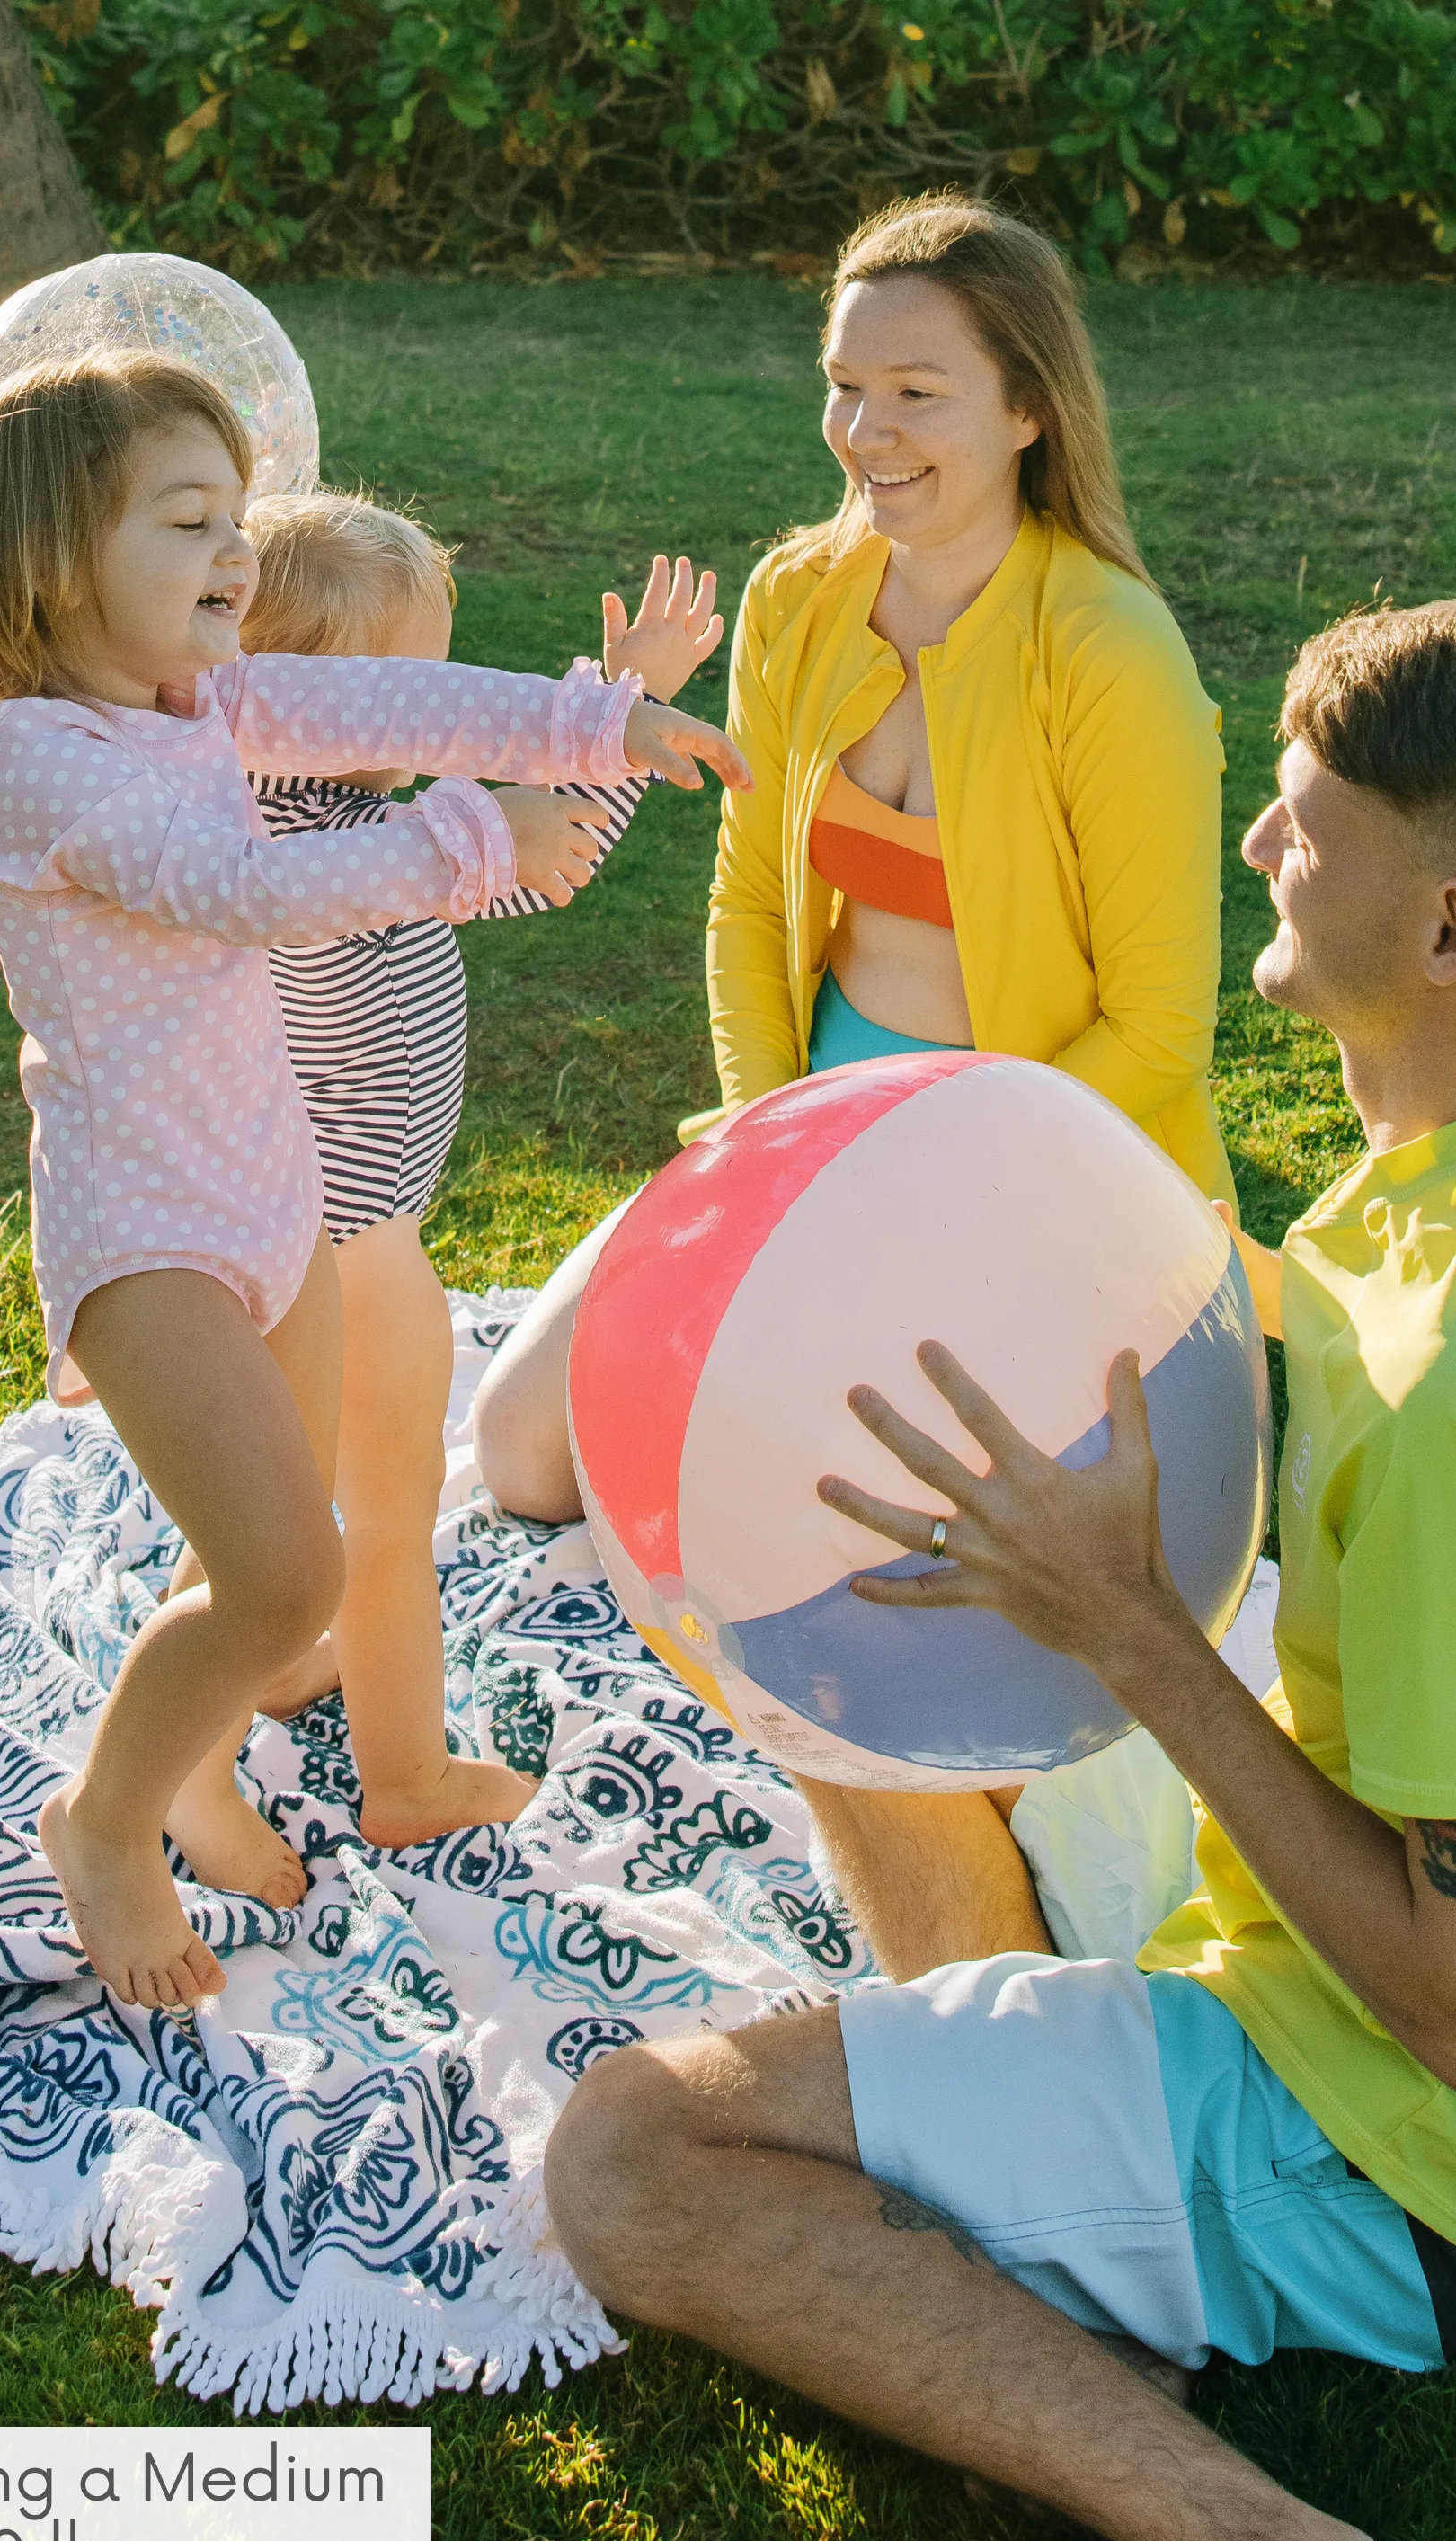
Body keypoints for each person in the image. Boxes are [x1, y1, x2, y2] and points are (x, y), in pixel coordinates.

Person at [546, 599, 1456, 2541]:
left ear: (1450, 926)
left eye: (1304, 826)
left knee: (633, 2153)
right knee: (857, 1670)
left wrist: (1141, 1632)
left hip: (1398, 2157)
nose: (1259, 847)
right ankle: (1024, 2176)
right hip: (1384, 1970)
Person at [0, 347, 747, 2008]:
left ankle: (190, 1767)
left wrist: (597, 721)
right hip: (153, 1240)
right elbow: (234, 889)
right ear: (55, 562)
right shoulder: (48, 762)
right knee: (290, 1579)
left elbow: (399, 708)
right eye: (193, 520)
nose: (238, 552)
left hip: (280, 1198)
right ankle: (110, 1820)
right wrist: (474, 839)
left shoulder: (198, 697)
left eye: (236, 513)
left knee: (279, 1600)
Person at [470, 188, 1231, 1534]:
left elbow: (1159, 1030)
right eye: (843, 386)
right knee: (526, 1449)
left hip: (1035, 1168)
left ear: (1026, 410)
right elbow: (751, 899)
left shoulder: (1113, 648)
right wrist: (772, 1147)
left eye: (916, 393)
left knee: (849, 1515)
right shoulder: (795, 598)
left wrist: (926, 1189)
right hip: (812, 1125)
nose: (865, 433)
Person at [192, 493, 724, 1844]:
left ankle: (275, 1670)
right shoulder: (364, 846)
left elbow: (527, 830)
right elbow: (550, 855)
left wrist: (618, 699)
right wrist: (620, 714)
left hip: (272, 1226)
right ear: (326, 693)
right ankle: (402, 1781)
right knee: (385, 1513)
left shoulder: (259, 811)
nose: (441, 708)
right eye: (415, 686)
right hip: (361, 1241)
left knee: (276, 1495)